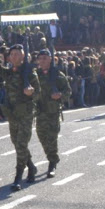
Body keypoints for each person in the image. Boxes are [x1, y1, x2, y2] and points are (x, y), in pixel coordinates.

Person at [0, 40, 40, 191]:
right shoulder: (9, 73)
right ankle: (31, 167)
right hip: (12, 114)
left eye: (17, 54)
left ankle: (18, 176)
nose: (14, 56)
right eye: (12, 54)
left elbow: (39, 93)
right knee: (17, 143)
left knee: (22, 143)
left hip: (26, 114)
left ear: (23, 56)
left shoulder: (30, 72)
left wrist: (32, 93)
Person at [35, 49, 70, 178]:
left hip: (53, 111)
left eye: (45, 58)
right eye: (40, 58)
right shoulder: (35, 75)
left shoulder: (57, 75)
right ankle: (52, 157)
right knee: (41, 136)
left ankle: (52, 162)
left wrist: (60, 95)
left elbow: (68, 91)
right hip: (39, 111)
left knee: (52, 137)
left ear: (50, 59)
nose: (42, 60)